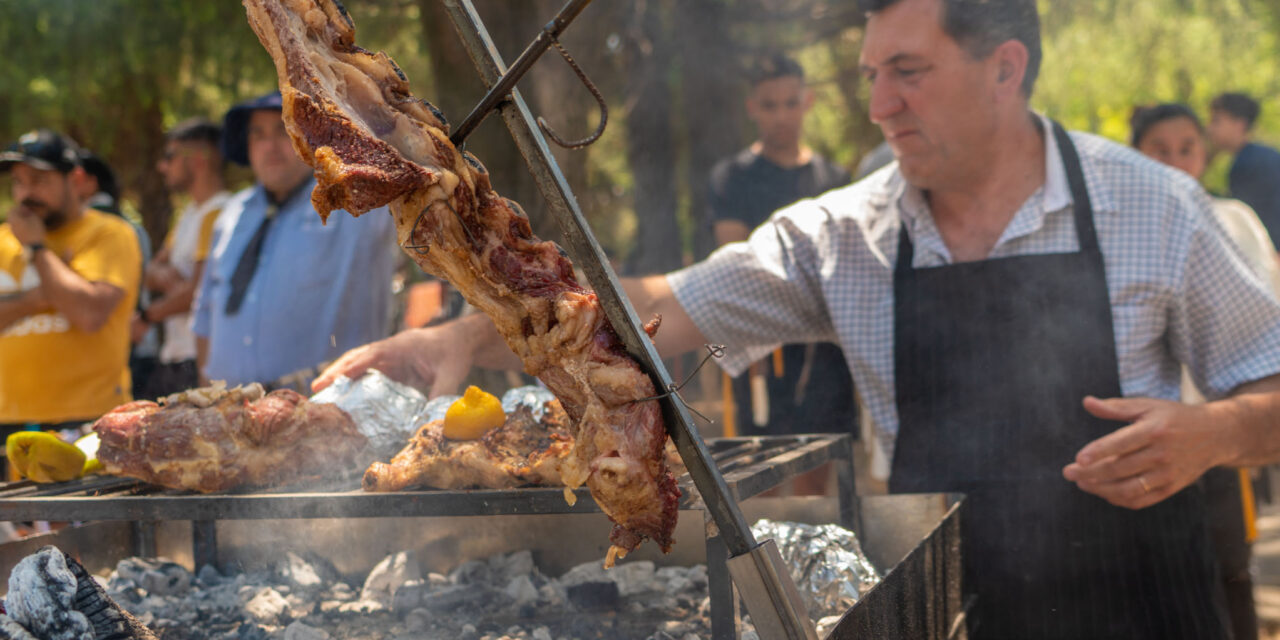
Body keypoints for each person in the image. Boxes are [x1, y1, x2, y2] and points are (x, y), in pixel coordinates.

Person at [313, 0, 1280, 636]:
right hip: (947, 608)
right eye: (868, 75)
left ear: (1005, 67)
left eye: (907, 71)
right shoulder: (844, 234)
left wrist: (1219, 430)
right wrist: (461, 335)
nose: (878, 106)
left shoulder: (1152, 207)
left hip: (1145, 606)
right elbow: (656, 308)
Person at [1131, 101, 1279, 640]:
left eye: (1186, 148)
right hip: (1148, 433)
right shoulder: (1122, 231)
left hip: (1222, 429)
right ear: (1136, 155)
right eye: (1159, 150)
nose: (1175, 161)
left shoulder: (1234, 219)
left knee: (1230, 567)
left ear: (1204, 154)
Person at [192, 92, 396, 387]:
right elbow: (205, 316)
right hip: (229, 411)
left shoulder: (355, 205)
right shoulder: (230, 216)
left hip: (325, 412)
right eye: (258, 135)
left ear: (312, 140)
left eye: (285, 130)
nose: (270, 146)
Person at [707, 53, 856, 456]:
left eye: (791, 103)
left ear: (807, 102)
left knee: (822, 458)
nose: (782, 116)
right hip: (761, 344)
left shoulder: (835, 180)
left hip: (824, 348)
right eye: (770, 105)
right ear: (753, 107)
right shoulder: (732, 178)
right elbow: (735, 258)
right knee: (764, 459)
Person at [0, 129, 142, 473]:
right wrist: (47, 294)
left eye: (38, 180)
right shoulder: (4, 239)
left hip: (89, 424)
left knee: (89, 529)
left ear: (75, 179)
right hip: (10, 427)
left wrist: (36, 249)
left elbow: (89, 313)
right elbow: (71, 298)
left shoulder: (110, 233)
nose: (25, 193)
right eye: (18, 182)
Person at [138, 119, 231, 397]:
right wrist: (180, 286)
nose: (162, 166)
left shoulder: (221, 212)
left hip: (199, 359)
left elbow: (198, 295)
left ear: (199, 158)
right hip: (176, 357)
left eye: (170, 156)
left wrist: (146, 315)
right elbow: (151, 270)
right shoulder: (191, 214)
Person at [1208, 92, 1280, 251]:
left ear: (1239, 124)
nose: (1210, 128)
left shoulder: (1248, 163)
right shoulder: (1263, 155)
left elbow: (1245, 221)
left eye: (1216, 121)